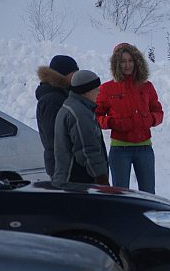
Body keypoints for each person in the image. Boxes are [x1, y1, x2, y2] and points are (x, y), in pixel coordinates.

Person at [96, 42, 163, 193]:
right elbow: (96, 116)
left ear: (137, 62)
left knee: (148, 194)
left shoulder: (147, 86)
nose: (127, 65)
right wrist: (111, 122)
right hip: (120, 150)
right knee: (120, 194)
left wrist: (150, 120)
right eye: (123, 61)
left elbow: (159, 112)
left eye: (130, 60)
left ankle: (145, 218)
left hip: (145, 148)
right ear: (116, 64)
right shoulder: (107, 88)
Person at [53, 70, 110, 186]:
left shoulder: (72, 106)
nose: (99, 92)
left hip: (68, 178)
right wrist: (101, 178)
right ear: (85, 92)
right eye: (96, 89)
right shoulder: (80, 113)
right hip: (78, 181)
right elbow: (87, 150)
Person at [35, 55, 79, 178]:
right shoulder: (51, 100)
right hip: (61, 164)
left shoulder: (62, 94)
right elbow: (53, 137)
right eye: (74, 72)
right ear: (63, 74)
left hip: (66, 162)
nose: (76, 76)